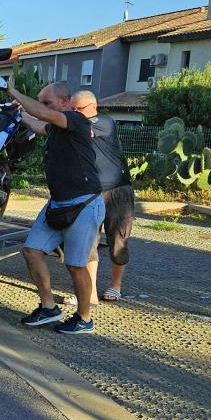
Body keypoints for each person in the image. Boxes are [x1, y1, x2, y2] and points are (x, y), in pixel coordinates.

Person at [6, 79, 105, 334]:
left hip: (83, 204)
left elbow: (42, 115)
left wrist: (15, 91)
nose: (43, 106)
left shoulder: (76, 120)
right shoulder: (56, 127)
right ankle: (49, 307)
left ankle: (84, 319)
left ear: (64, 102)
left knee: (76, 265)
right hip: (58, 203)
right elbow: (39, 123)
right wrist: (18, 112)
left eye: (47, 102)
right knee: (32, 250)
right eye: (41, 102)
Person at [71, 91, 134, 301]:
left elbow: (80, 130)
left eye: (78, 109)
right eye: (71, 109)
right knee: (89, 241)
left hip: (117, 190)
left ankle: (116, 285)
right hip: (90, 191)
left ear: (93, 106)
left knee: (118, 239)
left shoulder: (105, 122)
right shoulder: (74, 123)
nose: (74, 113)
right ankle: (89, 293)